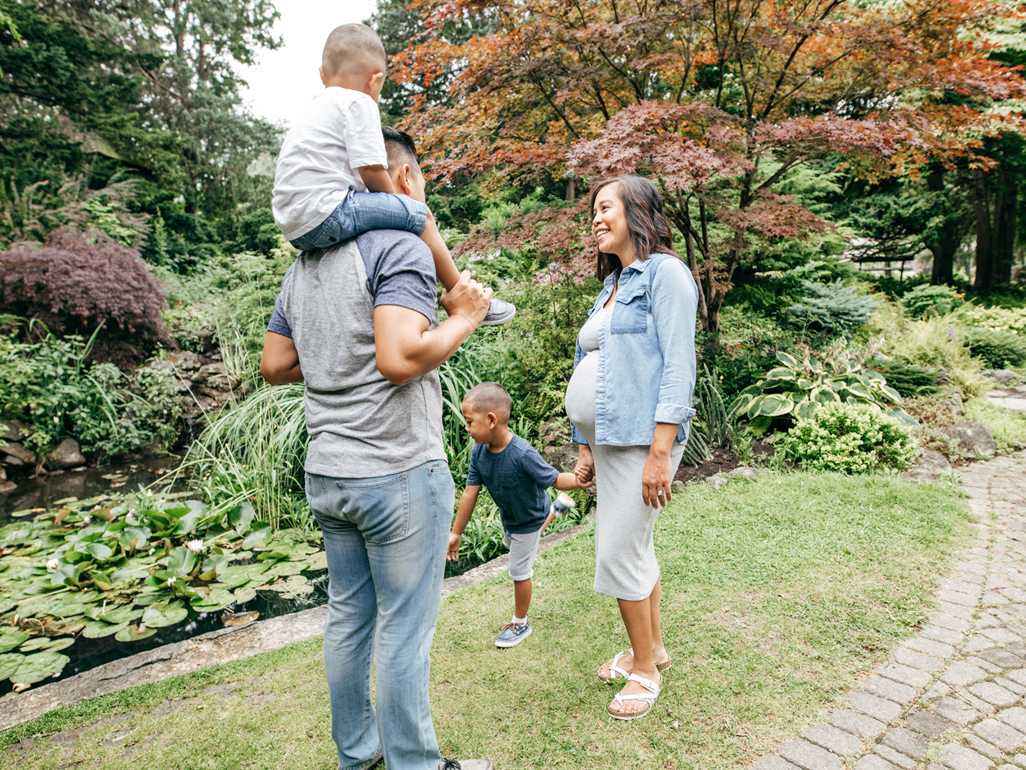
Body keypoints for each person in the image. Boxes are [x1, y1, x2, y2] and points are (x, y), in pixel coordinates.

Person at [261, 127, 495, 770]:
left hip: (329, 472)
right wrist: (467, 316)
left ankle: (360, 757)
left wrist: (341, 355)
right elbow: (401, 359)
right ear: (407, 182)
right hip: (395, 472)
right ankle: (415, 766)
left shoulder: (303, 264)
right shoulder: (399, 245)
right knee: (403, 629)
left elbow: (275, 364)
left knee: (347, 619)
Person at [271, 22, 514, 326]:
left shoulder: (312, 111)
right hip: (328, 210)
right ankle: (461, 291)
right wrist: (401, 209)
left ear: (322, 75)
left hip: (295, 227)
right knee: (419, 215)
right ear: (376, 80)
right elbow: (372, 168)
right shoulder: (358, 101)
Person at [564, 175, 699, 721]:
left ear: (637, 212)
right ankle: (655, 650)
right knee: (634, 549)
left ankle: (643, 669)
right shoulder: (614, 283)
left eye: (605, 208)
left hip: (643, 440)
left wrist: (661, 452)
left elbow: (678, 365)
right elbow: (588, 368)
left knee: (617, 551)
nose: (596, 219)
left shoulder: (667, 274)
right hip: (608, 439)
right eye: (593, 211)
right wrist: (583, 445)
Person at [447, 382, 591, 648]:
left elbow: (556, 479)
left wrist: (580, 481)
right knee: (519, 549)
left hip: (528, 520)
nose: (465, 429)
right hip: (511, 520)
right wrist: (456, 532)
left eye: (469, 422)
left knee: (519, 571)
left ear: (491, 420)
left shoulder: (522, 454)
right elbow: (469, 493)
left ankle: (521, 623)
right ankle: (556, 510)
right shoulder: (480, 452)